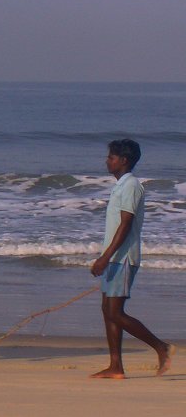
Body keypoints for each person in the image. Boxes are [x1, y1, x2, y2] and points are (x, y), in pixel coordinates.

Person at [89, 138, 172, 378]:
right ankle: (116, 366)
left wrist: (105, 258)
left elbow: (125, 225)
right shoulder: (121, 185)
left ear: (123, 161)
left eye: (111, 157)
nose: (107, 161)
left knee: (115, 311)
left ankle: (161, 347)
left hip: (122, 258)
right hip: (114, 258)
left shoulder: (131, 185)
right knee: (108, 309)